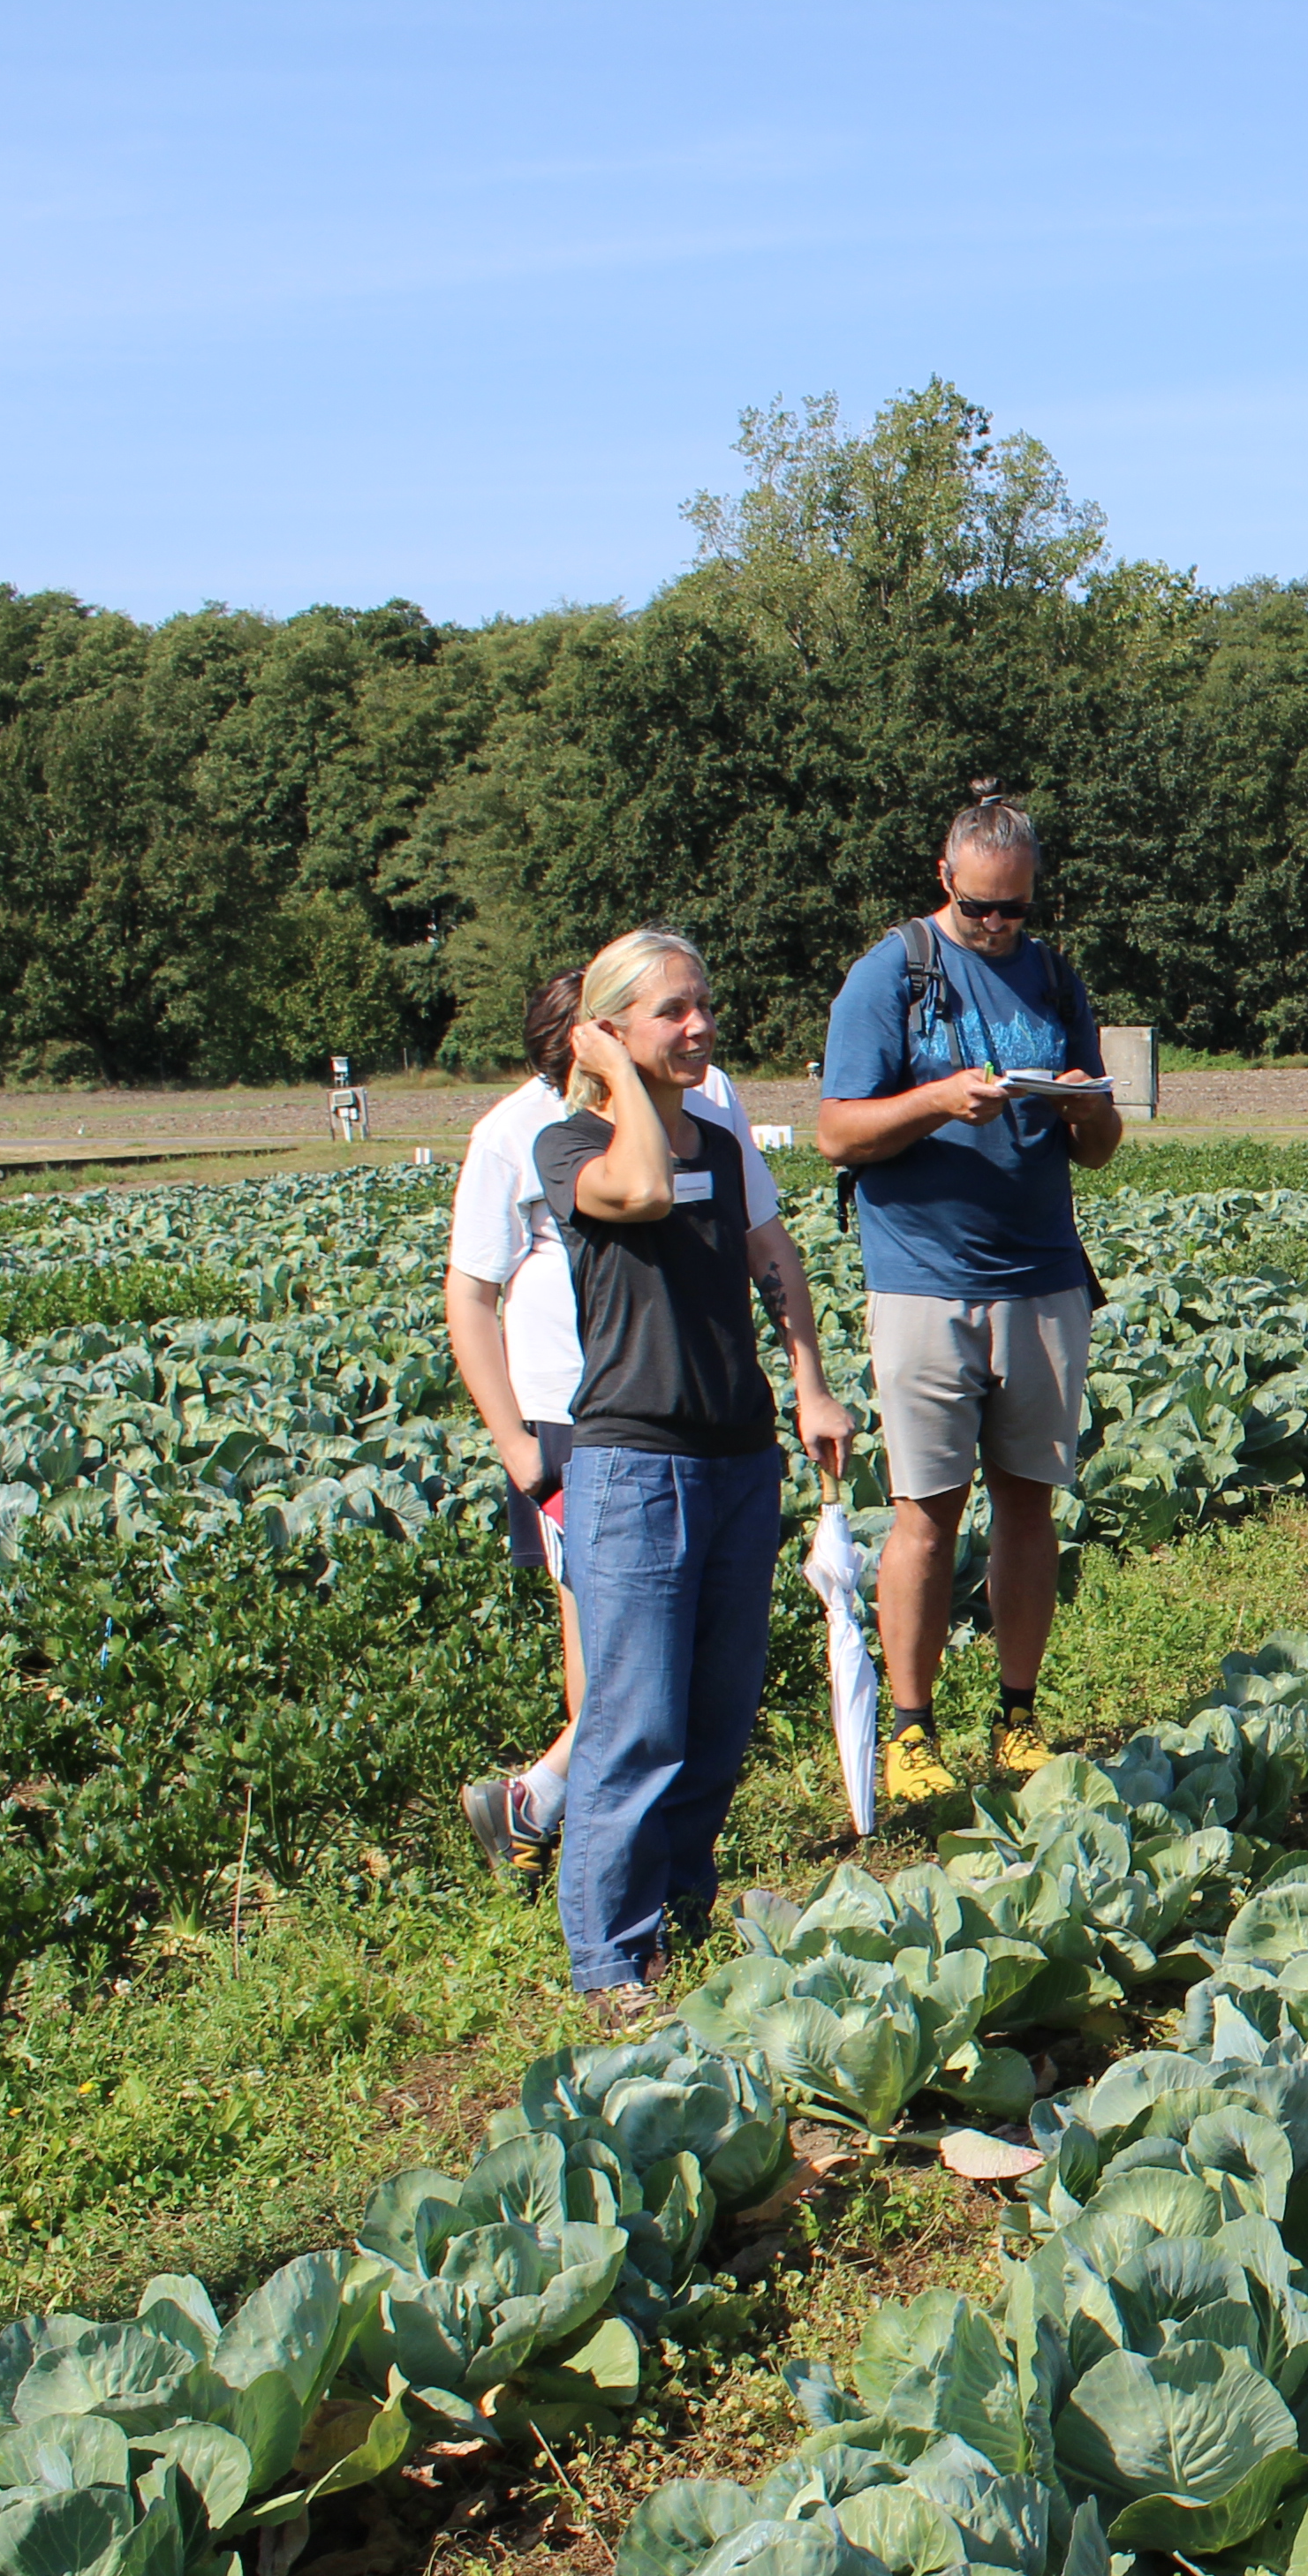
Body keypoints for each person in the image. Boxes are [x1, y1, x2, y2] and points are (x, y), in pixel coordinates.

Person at [540, 930, 852, 2003]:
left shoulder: (720, 1144)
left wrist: (808, 1382)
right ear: (612, 1027)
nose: (700, 1026)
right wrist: (622, 1078)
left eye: (703, 1005)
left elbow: (774, 1258)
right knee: (635, 1726)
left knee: (717, 1719)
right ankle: (609, 1962)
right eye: (670, 1011)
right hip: (634, 1467)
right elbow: (641, 1196)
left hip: (735, 1461)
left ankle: (681, 1912)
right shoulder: (571, 1145)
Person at [816, 797, 1121, 1809]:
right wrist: (940, 1100)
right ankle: (912, 1730)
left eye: (1016, 911)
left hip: (1040, 1275)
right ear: (944, 877)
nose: (999, 926)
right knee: (925, 1513)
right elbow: (836, 1133)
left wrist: (1082, 1104)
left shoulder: (1053, 975)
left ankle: (1018, 1713)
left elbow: (1101, 1147)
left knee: (1027, 1504)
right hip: (922, 1278)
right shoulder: (889, 976)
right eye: (983, 908)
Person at [447, 969, 775, 1883]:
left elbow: (753, 1236)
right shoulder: (520, 1133)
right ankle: (577, 1842)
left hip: (681, 1411)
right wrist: (518, 1448)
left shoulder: (698, 1110)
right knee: (616, 1669)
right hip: (568, 1414)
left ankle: (552, 1813)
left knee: (652, 1670)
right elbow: (472, 1296)